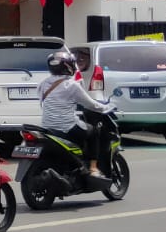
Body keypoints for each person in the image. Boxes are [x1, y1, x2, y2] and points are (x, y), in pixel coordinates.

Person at [39, 49, 114, 182]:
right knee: (94, 132)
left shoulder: (42, 84)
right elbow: (92, 105)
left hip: (47, 127)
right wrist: (107, 107)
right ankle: (93, 168)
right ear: (68, 66)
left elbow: (45, 104)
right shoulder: (71, 85)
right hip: (66, 126)